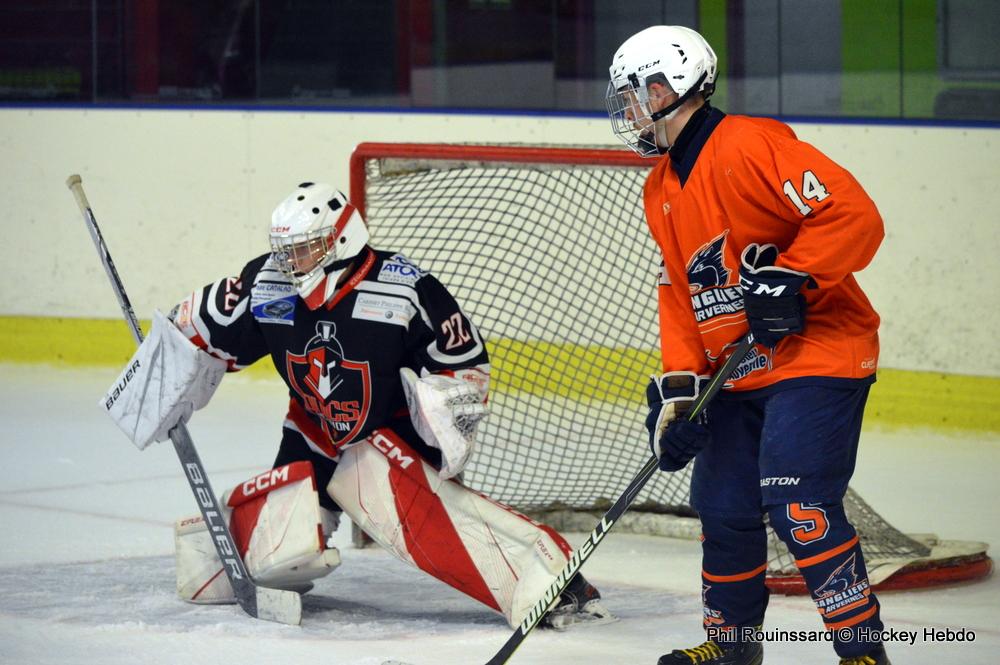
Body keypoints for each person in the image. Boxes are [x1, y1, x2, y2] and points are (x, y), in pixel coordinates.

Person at [102, 181, 611, 630]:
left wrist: (442, 417)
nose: (290, 262)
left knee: (424, 529)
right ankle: (250, 549)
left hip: (386, 436)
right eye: (284, 251)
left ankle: (551, 578)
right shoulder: (267, 283)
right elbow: (201, 324)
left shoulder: (404, 287)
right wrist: (166, 365)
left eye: (304, 249)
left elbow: (464, 362)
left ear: (340, 240)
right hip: (310, 430)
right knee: (277, 544)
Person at [606, 25, 890, 665]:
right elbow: (680, 292)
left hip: (818, 352)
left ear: (665, 89)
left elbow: (854, 215)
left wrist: (796, 275)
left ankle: (863, 653)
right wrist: (680, 397)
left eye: (631, 95)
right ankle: (732, 648)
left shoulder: (751, 143)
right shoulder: (659, 187)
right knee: (723, 507)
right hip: (736, 369)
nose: (626, 111)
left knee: (798, 503)